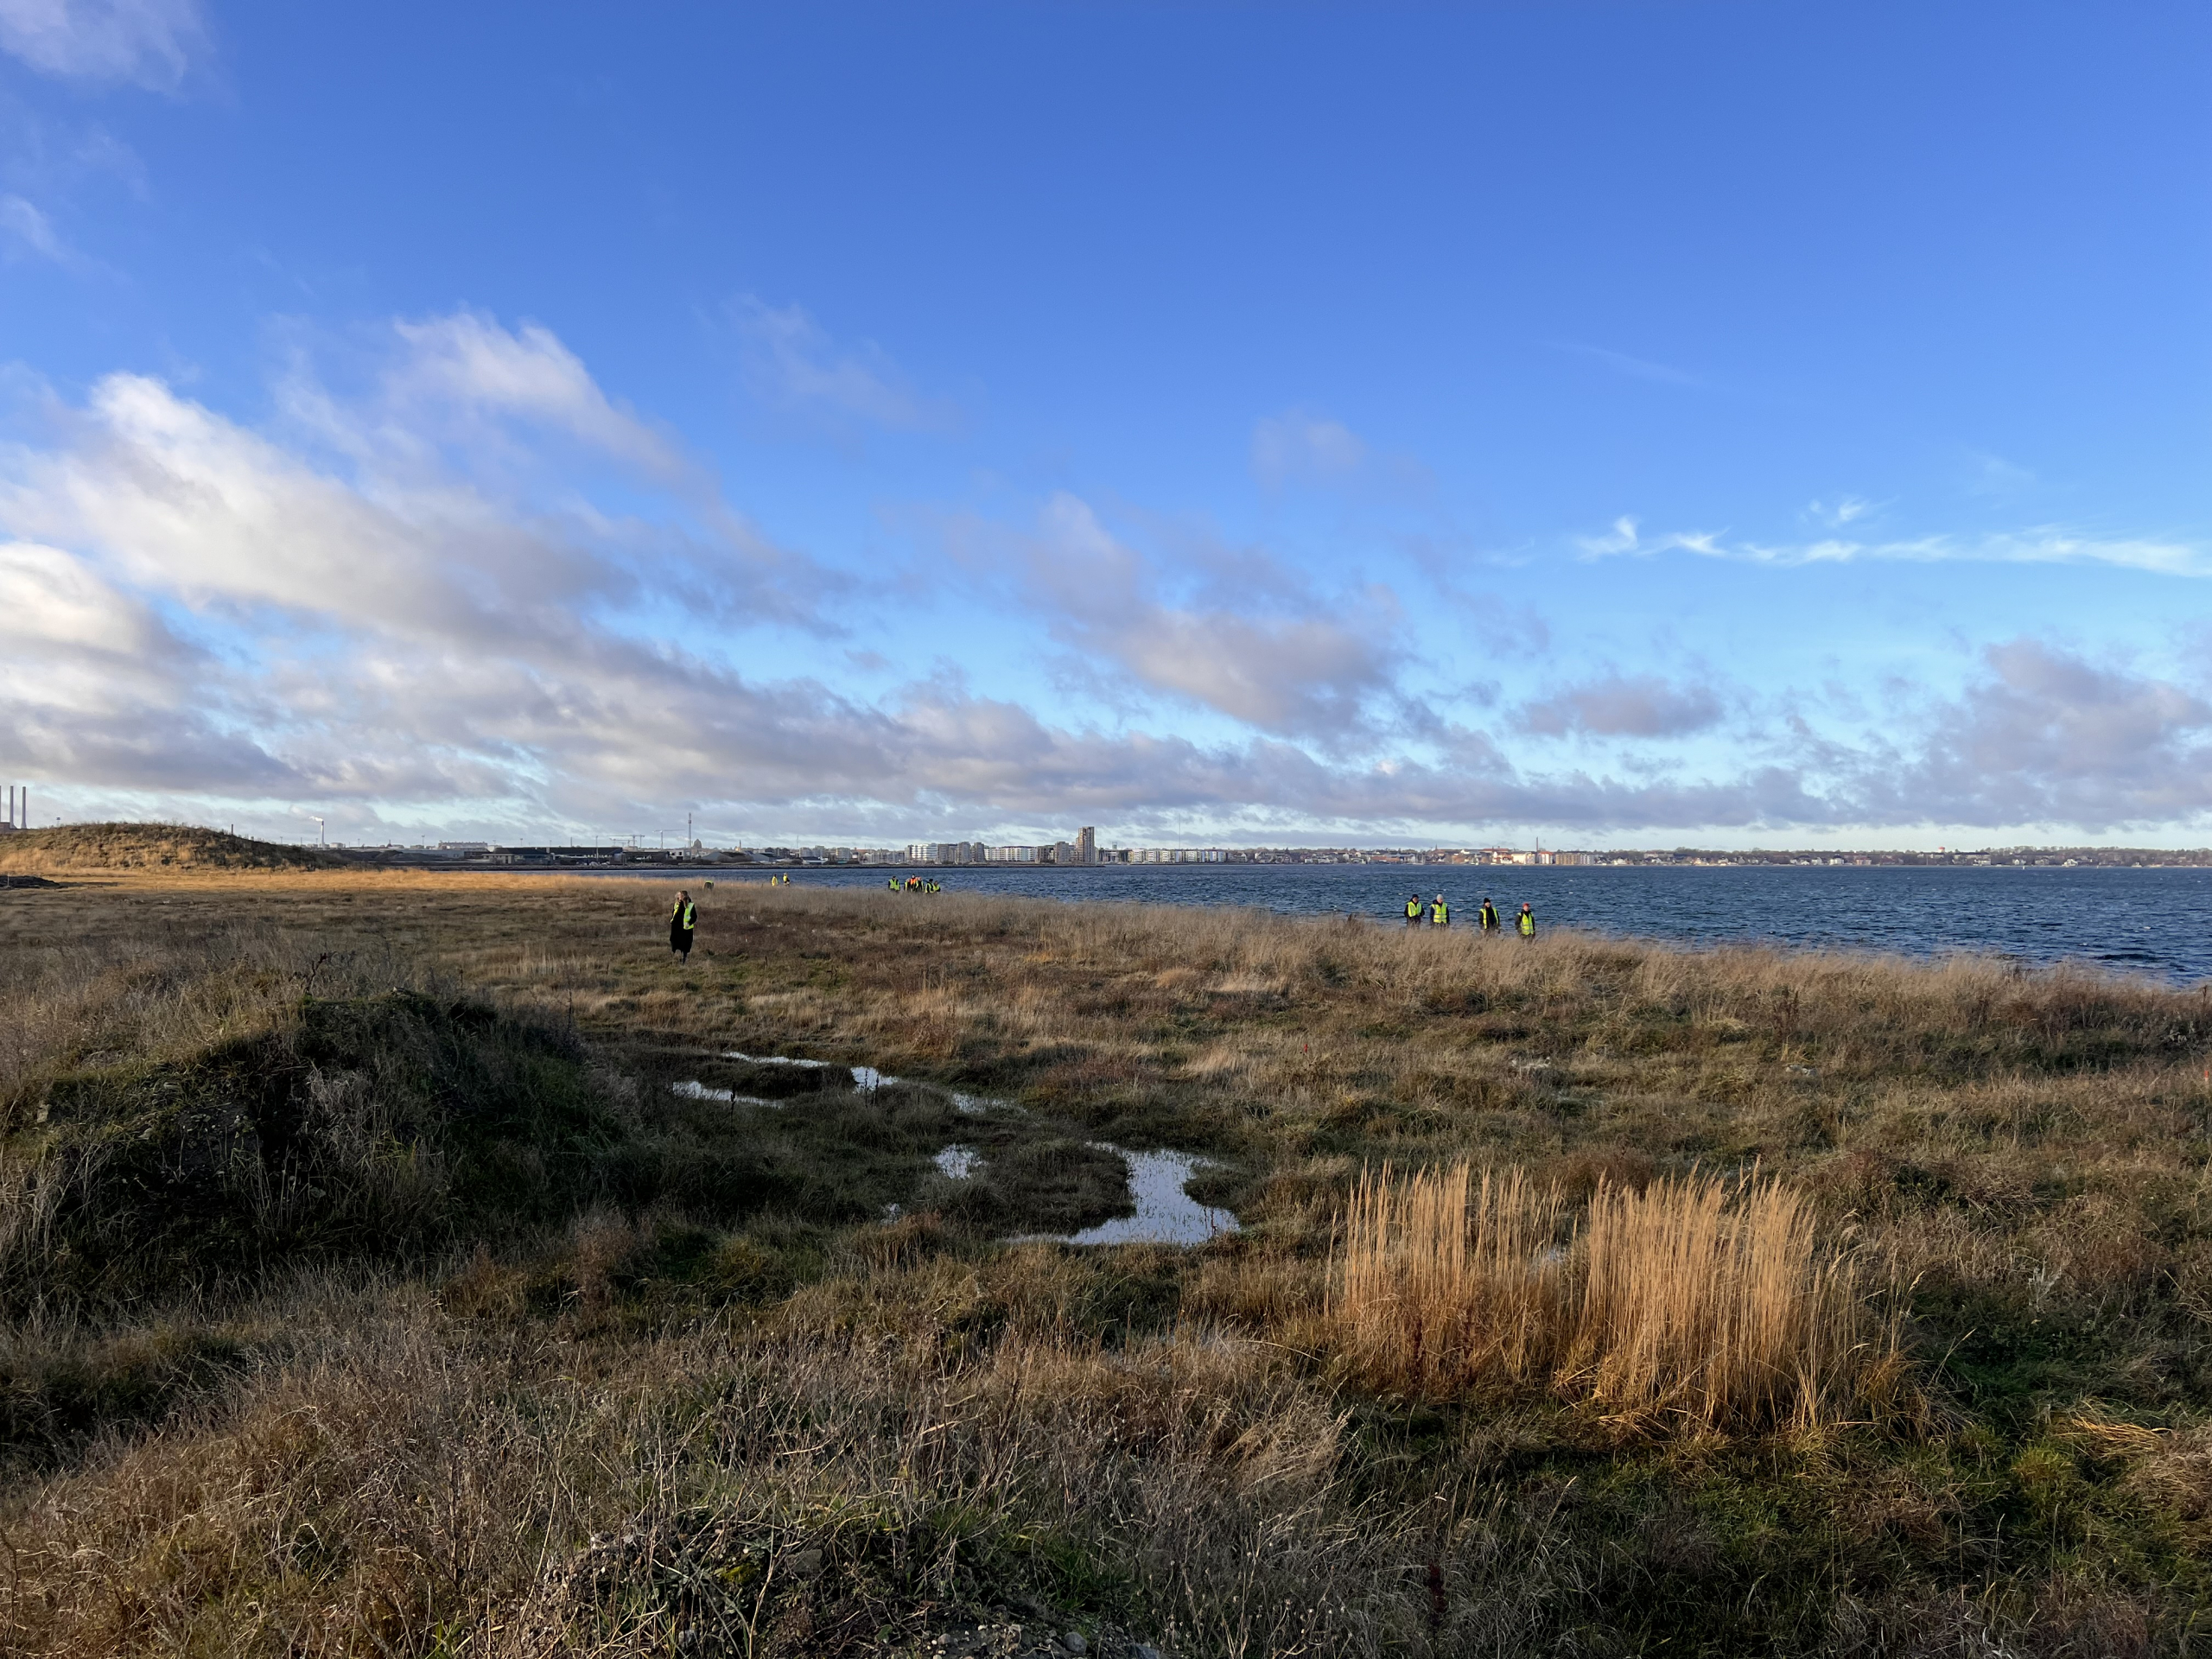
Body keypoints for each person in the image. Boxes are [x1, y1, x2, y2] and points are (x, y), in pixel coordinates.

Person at [669, 889, 697, 961]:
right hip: (676, 927)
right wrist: (672, 920)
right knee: (674, 942)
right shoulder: (676, 904)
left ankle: (684, 958)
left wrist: (689, 923)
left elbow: (694, 917)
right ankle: (674, 957)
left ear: (683, 896)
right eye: (678, 895)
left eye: (679, 895)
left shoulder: (690, 905)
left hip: (686, 928)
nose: (678, 896)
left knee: (685, 944)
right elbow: (674, 913)